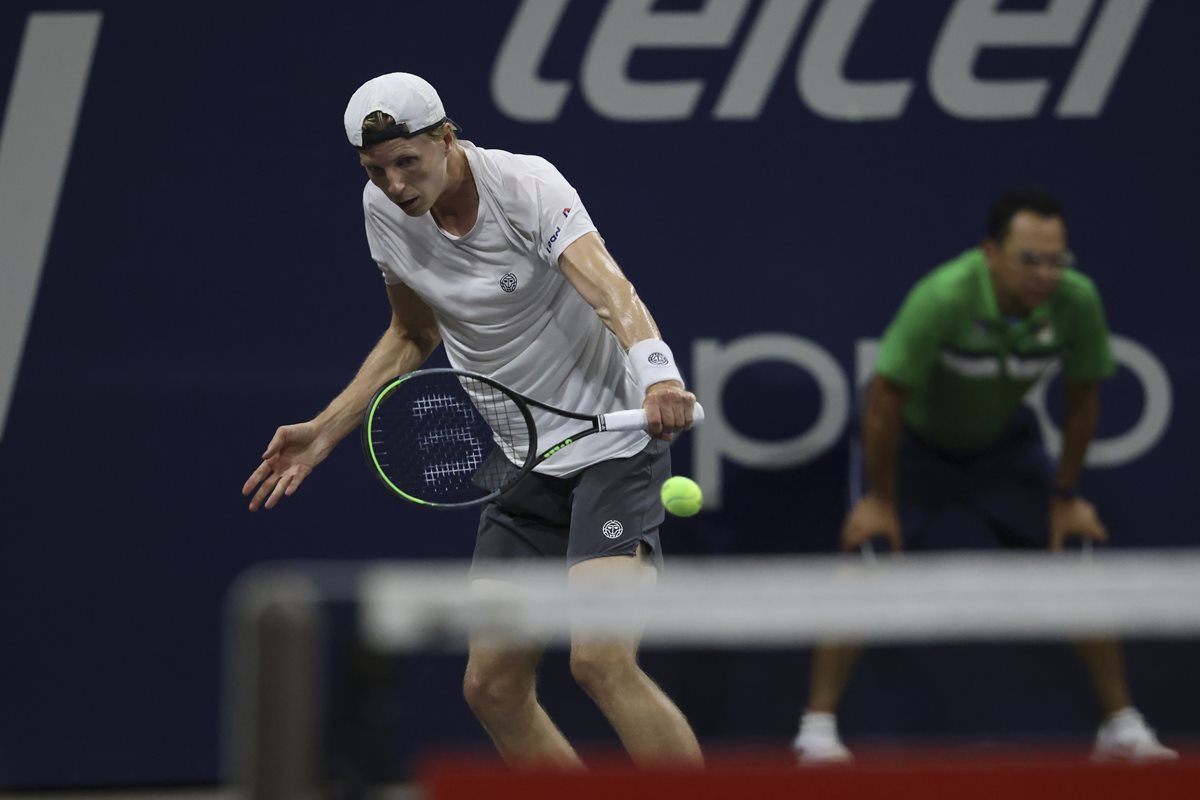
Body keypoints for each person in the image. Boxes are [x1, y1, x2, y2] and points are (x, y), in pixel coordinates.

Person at [241, 73, 703, 767]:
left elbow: (611, 289)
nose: (395, 184)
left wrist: (659, 373)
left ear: (446, 139)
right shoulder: (382, 210)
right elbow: (412, 332)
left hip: (611, 450)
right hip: (519, 460)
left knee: (600, 661)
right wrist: (326, 429)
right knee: (492, 688)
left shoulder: (526, 186)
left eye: (407, 162)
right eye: (375, 169)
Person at [793, 188, 1177, 764]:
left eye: (1056, 260)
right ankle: (816, 732)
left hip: (1003, 448)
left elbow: (1082, 401)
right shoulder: (944, 296)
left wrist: (1066, 496)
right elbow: (884, 400)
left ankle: (1121, 727)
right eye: (1030, 259)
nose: (1045, 273)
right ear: (991, 253)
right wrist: (880, 499)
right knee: (864, 565)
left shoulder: (1076, 300)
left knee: (1079, 565)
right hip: (913, 448)